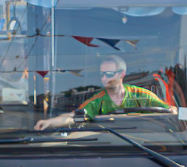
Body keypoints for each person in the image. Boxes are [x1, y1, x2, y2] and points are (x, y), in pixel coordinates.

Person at [34, 54, 171, 130]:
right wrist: (49, 122)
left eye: (109, 74)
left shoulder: (141, 95)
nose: (104, 78)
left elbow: (170, 111)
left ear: (122, 74)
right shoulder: (97, 101)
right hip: (109, 145)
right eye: (102, 74)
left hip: (144, 145)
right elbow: (73, 116)